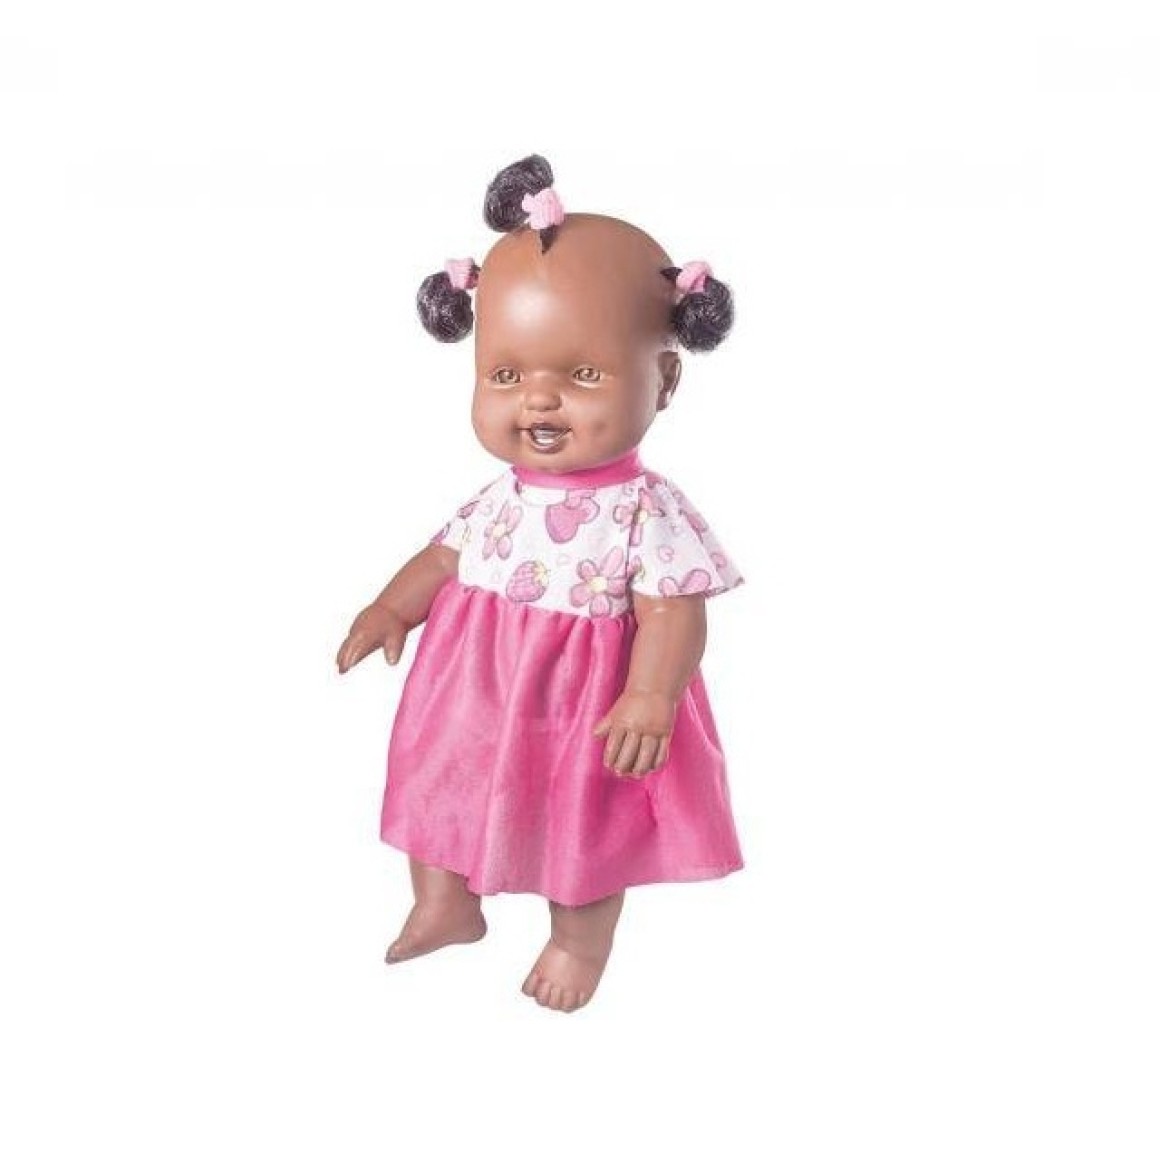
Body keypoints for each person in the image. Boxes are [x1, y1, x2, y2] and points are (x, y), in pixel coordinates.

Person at [336, 155, 745, 1013]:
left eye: (583, 375)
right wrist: (390, 607)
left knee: (583, 824)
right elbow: (444, 559)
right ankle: (445, 903)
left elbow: (673, 610)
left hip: (583, 707)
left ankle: (576, 942)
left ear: (665, 379)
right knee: (435, 785)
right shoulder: (501, 497)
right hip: (470, 695)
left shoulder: (645, 511)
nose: (540, 401)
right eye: (507, 376)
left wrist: (651, 695)